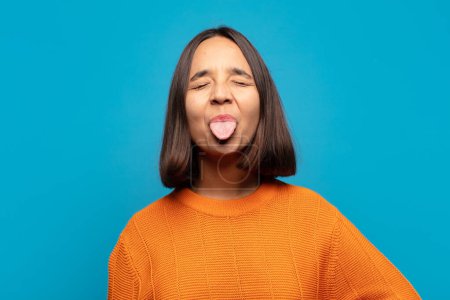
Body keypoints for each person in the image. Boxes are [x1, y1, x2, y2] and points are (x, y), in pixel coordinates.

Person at [107, 26, 421, 299]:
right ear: (181, 112)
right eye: (201, 84)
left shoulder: (315, 220)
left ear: (263, 105)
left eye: (240, 82)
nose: (220, 95)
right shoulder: (141, 239)